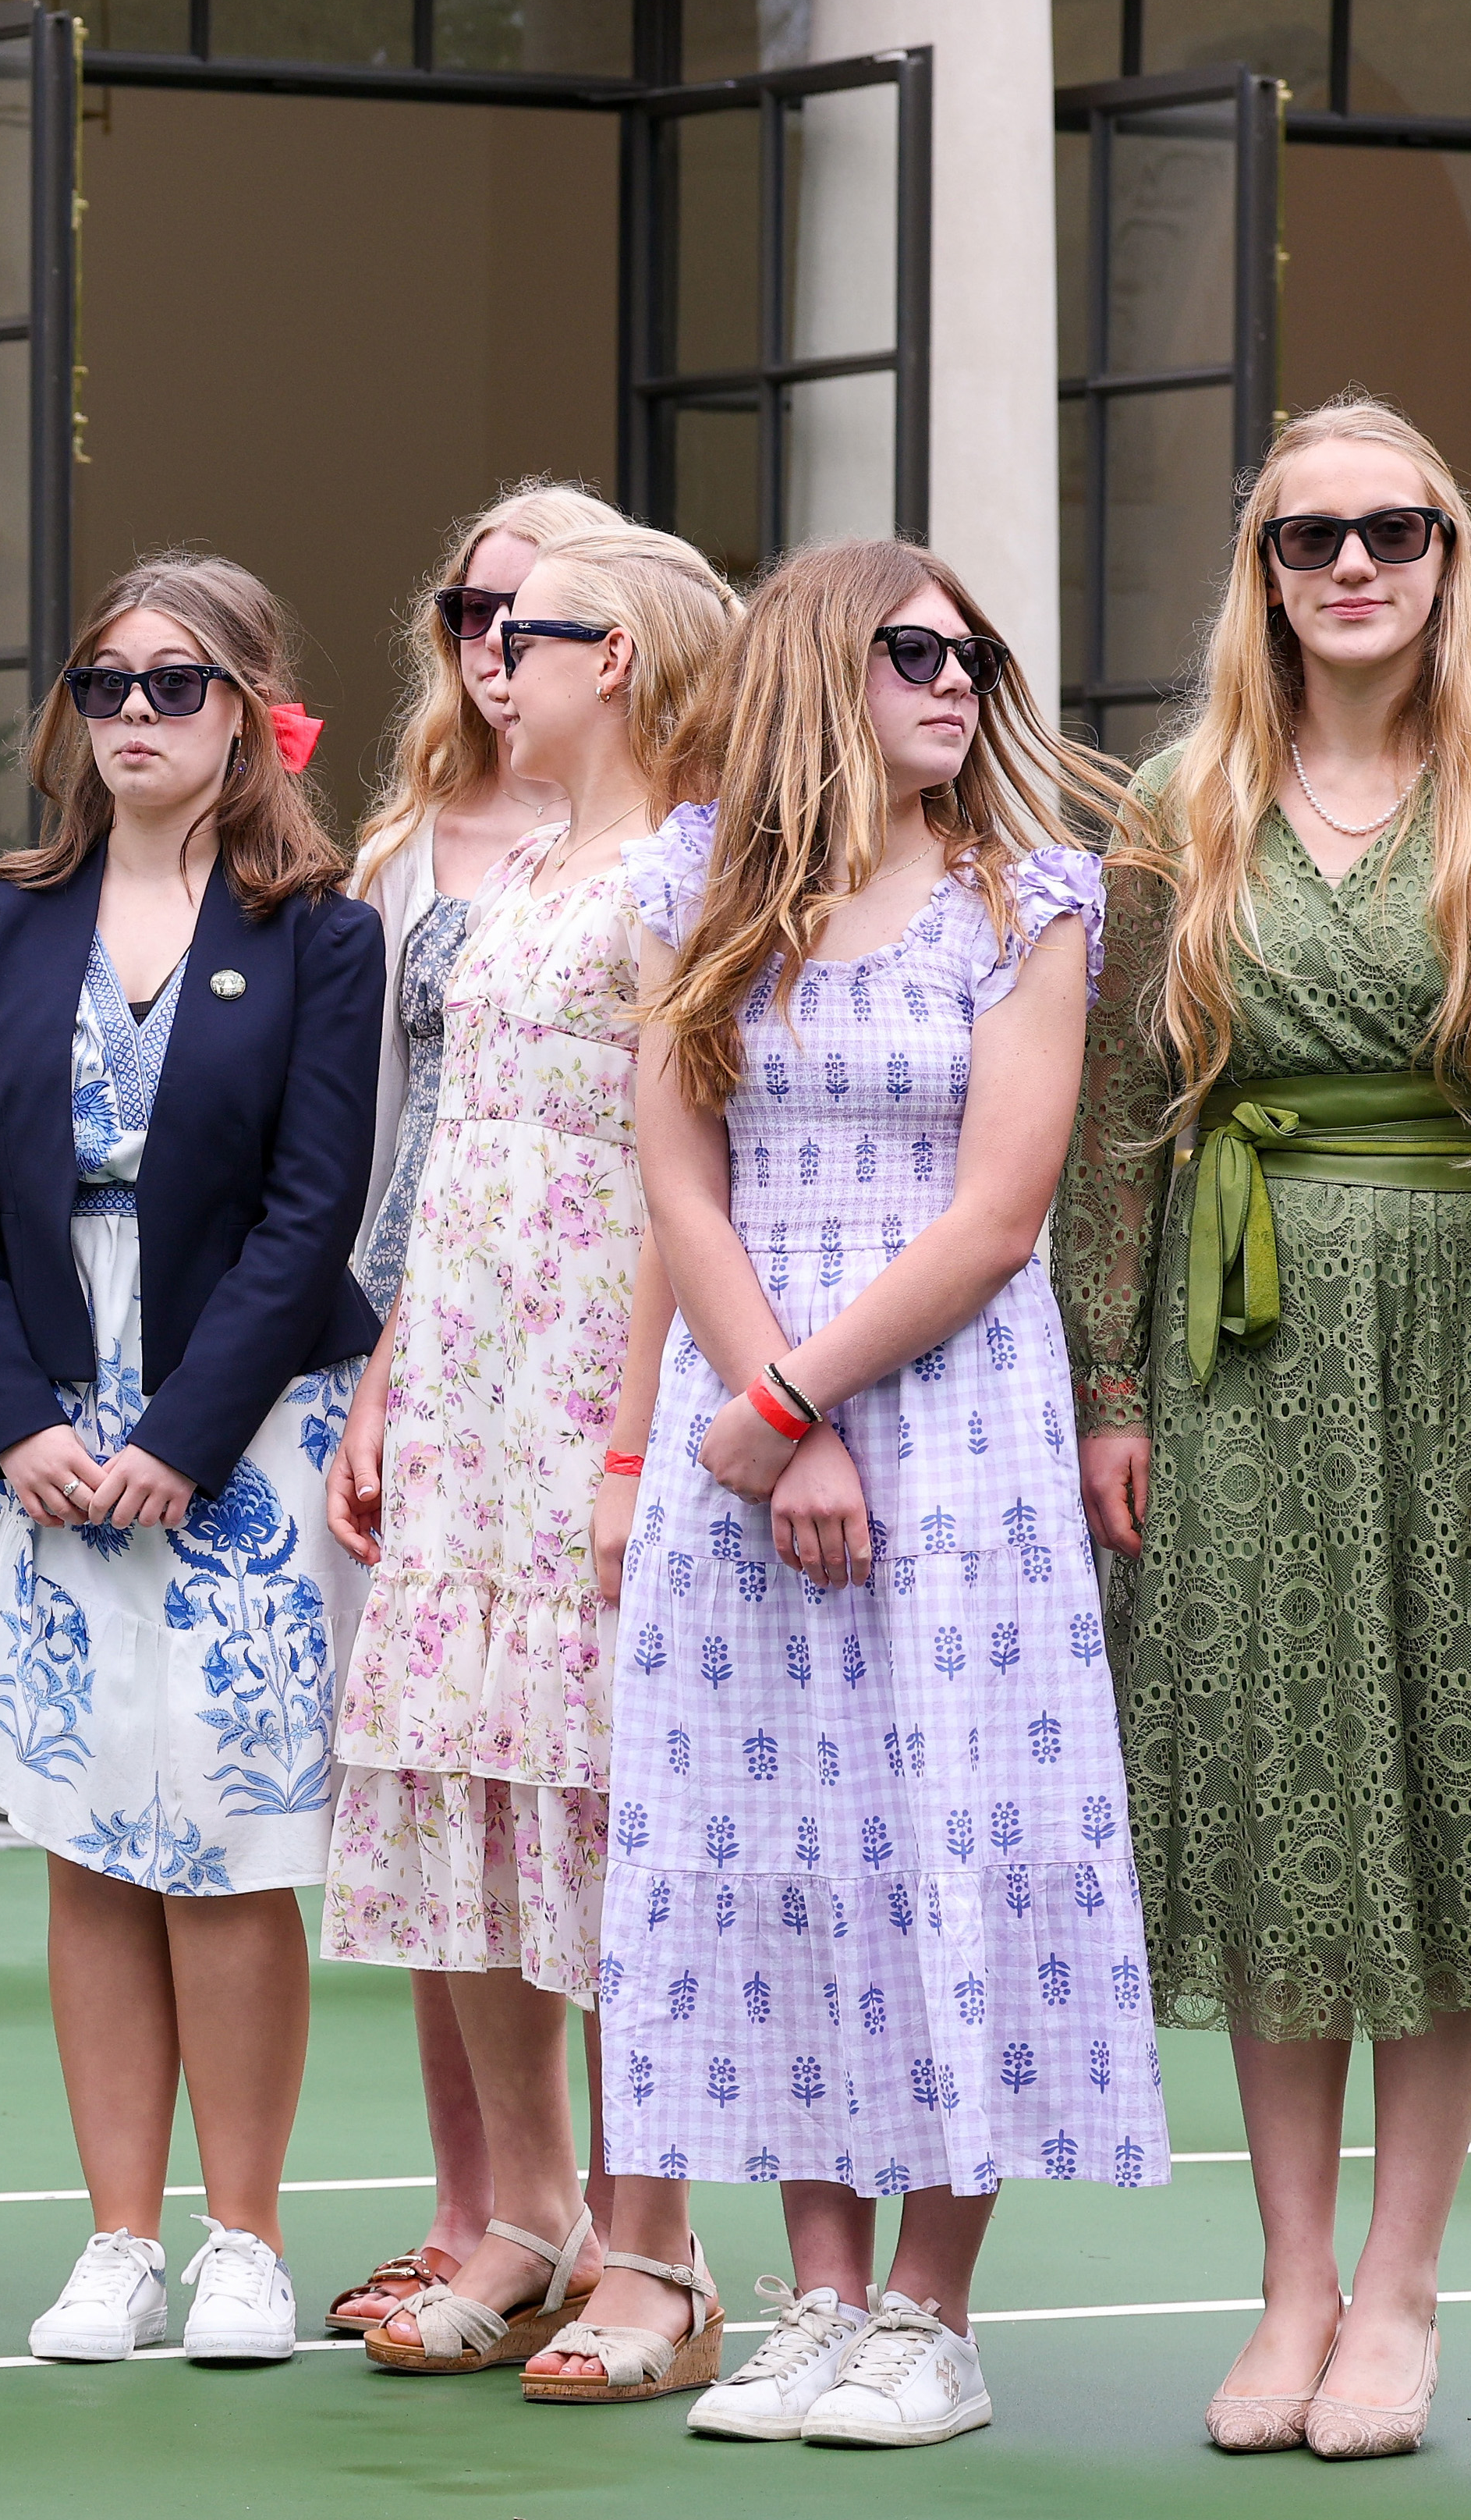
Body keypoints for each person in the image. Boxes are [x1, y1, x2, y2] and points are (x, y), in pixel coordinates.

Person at [607, 538, 1148, 2441]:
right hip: (751, 1428)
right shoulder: (686, 887)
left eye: (970, 655)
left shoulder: (1028, 898)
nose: (954, 681)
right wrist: (773, 1419)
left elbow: (997, 1217)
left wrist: (794, 1397)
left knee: (948, 1837)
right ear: (815, 671)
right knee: (776, 1853)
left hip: (951, 1432)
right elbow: (677, 1181)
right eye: (912, 651)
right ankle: (818, 2300)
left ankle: (932, 2313)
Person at [0, 556, 381, 2366]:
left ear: (247, 708)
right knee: (85, 1834)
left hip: (238, 1419)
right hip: (35, 1410)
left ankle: (243, 2238)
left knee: (228, 1842)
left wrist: (182, 1434)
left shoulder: (320, 932)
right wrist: (12, 1417)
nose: (136, 715)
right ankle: (117, 2240)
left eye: (177, 684)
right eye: (106, 683)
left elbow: (313, 1207)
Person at [1053, 395, 1471, 2463]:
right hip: (1238, 1349)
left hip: (1456, 1334)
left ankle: (1399, 2290)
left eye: (1394, 528)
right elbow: (1121, 1117)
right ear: (1264, 571)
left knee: (1445, 1810)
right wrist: (1107, 1386)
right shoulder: (1178, 796)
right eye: (1312, 536)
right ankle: (1291, 2283)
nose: (1354, 564)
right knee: (1282, 1810)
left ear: (1446, 556)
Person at [322, 527, 735, 2378]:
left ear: (616, 657)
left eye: (528, 632)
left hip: (585, 1385)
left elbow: (679, 1183)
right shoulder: (521, 865)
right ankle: (525, 2212)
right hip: (464, 1386)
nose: (490, 656)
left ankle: (656, 2249)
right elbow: (453, 1147)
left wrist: (636, 1443)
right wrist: (385, 1380)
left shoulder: (680, 874)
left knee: (601, 1807)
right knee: (466, 1790)